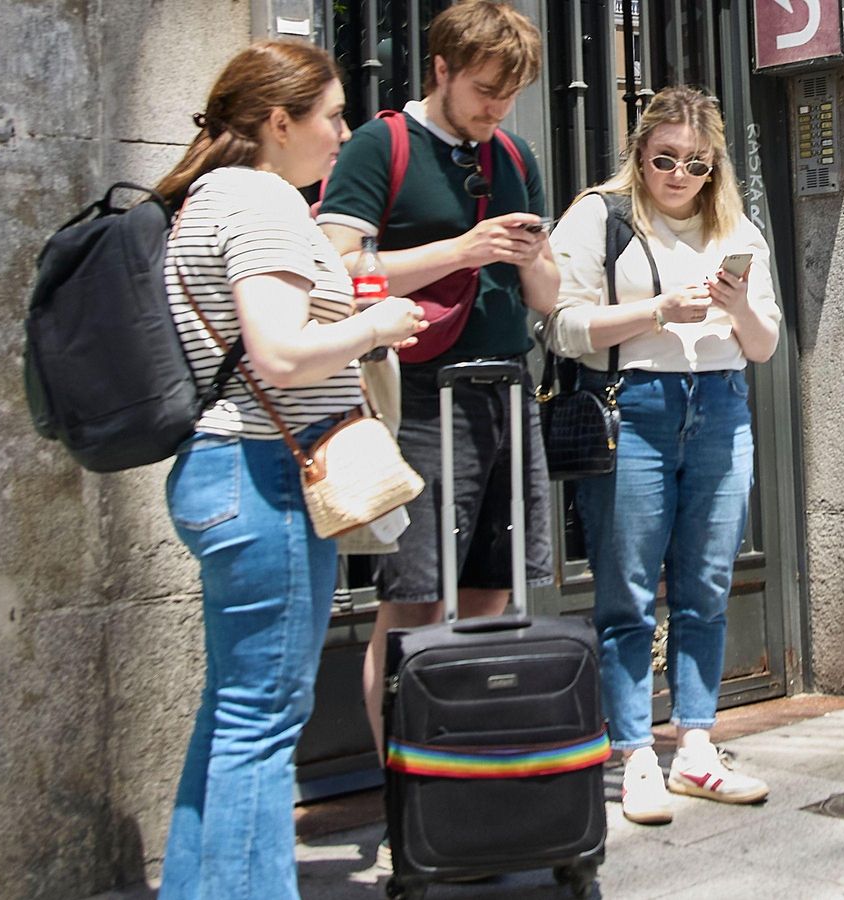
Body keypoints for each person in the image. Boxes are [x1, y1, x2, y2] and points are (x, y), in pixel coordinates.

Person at [154, 40, 427, 899]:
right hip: (263, 471)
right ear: (279, 121)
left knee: (234, 712)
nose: (344, 134)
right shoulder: (262, 200)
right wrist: (377, 331)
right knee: (263, 723)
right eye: (333, 115)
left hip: (224, 470)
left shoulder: (206, 198)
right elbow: (278, 353)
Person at [315, 0, 557, 788]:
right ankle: (407, 794)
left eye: (511, 93)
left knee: (491, 591)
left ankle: (468, 784)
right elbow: (337, 270)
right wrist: (462, 248)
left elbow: (548, 298)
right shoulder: (378, 145)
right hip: (416, 395)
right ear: (442, 70)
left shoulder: (515, 153)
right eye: (486, 89)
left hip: (505, 391)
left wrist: (531, 258)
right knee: (415, 602)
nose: (497, 107)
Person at [546, 86, 782, 825]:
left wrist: (736, 303)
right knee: (627, 591)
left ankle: (697, 747)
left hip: (719, 405)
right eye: (664, 160)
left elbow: (766, 344)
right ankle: (633, 754)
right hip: (635, 407)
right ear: (639, 153)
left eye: (697, 164)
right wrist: (658, 311)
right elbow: (563, 327)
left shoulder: (735, 227)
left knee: (706, 585)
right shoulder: (600, 216)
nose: (679, 176)